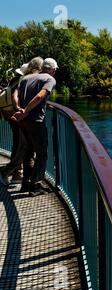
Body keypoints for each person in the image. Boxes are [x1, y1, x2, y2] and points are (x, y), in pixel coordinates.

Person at [11, 58, 58, 196]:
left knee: (28, 152)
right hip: (35, 121)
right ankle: (36, 186)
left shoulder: (27, 78)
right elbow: (39, 96)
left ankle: (26, 184)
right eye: (55, 69)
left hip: (22, 121)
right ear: (52, 69)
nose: (55, 72)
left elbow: (16, 94)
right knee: (42, 153)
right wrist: (26, 111)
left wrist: (19, 108)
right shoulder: (49, 79)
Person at [0, 57, 44, 186]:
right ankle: (12, 173)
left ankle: (18, 175)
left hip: (13, 115)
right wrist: (21, 110)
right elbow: (16, 96)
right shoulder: (23, 80)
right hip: (19, 116)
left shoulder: (16, 80)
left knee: (21, 144)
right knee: (23, 145)